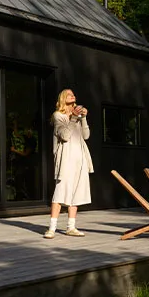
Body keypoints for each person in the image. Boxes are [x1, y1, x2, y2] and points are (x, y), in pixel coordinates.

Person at [44, 89, 93, 239]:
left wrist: (82, 118)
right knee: (60, 193)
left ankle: (71, 227)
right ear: (64, 98)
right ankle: (51, 228)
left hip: (80, 159)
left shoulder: (77, 116)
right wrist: (72, 118)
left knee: (76, 194)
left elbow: (86, 135)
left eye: (74, 94)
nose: (73, 95)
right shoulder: (58, 116)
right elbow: (64, 136)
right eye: (69, 94)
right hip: (65, 159)